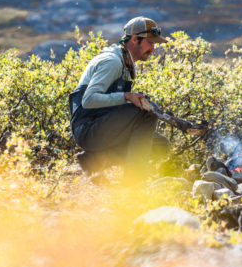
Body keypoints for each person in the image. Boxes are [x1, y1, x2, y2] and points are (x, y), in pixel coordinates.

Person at [69, 16, 170, 182]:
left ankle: (95, 161)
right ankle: (132, 182)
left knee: (160, 146)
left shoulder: (126, 63)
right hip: (88, 129)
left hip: (103, 125)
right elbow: (89, 100)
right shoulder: (113, 61)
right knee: (147, 114)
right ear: (135, 39)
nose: (153, 49)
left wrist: (133, 99)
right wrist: (126, 96)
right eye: (150, 43)